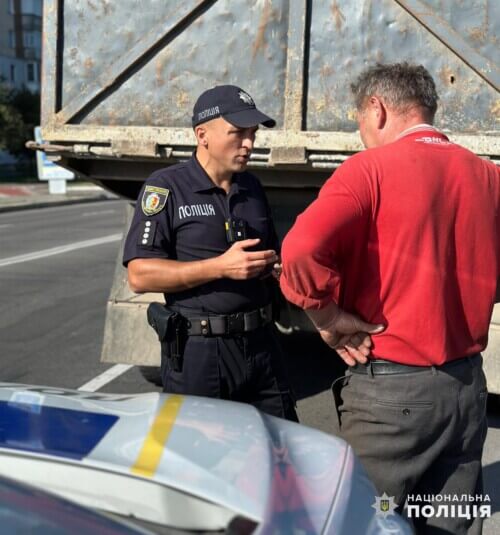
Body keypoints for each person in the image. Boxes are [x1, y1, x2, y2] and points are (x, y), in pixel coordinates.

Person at [280, 62, 499, 533]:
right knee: (450, 523)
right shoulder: (488, 177)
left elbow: (298, 249)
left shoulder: (368, 170)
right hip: (465, 391)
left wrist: (327, 315)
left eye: (359, 120)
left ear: (377, 109)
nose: (361, 134)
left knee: (367, 520)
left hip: (392, 398)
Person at [123, 84, 297, 421]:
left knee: (281, 455)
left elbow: (270, 257)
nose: (248, 143)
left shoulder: (252, 186)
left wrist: (276, 269)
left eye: (252, 133)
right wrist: (220, 267)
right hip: (201, 354)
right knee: (201, 462)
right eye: (237, 133)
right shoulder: (166, 187)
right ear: (202, 134)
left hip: (262, 346)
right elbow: (139, 275)